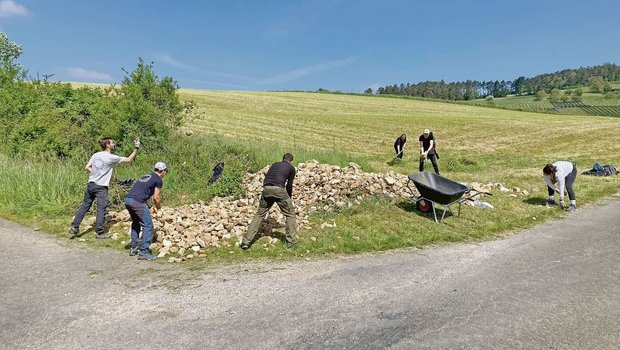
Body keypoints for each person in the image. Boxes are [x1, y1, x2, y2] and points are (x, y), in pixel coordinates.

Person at [69, 138, 140, 239]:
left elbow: (87, 167)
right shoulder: (111, 157)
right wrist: (136, 147)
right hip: (101, 187)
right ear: (108, 145)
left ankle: (74, 227)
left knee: (85, 206)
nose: (114, 144)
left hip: (91, 184)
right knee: (101, 209)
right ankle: (100, 233)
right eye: (112, 143)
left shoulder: (96, 155)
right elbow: (129, 159)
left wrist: (97, 173)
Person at [241, 153, 297, 250]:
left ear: (282, 159)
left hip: (266, 189)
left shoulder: (275, 164)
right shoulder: (291, 168)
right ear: (291, 161)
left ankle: (246, 242)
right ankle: (291, 244)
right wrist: (289, 198)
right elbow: (289, 185)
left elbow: (269, 177)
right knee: (290, 214)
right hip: (279, 189)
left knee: (259, 214)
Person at [124, 162, 168, 260]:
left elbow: (143, 192)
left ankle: (133, 248)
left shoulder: (146, 176)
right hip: (137, 202)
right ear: (162, 171)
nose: (166, 173)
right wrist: (159, 208)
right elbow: (156, 197)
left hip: (128, 200)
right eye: (166, 171)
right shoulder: (158, 179)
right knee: (148, 225)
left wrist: (150, 207)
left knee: (136, 223)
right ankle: (144, 252)